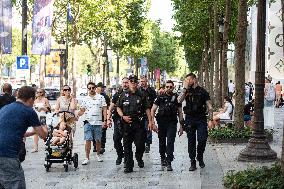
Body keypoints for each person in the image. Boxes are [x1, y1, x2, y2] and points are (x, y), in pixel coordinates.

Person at [0, 86, 48, 189]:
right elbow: (43, 135)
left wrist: (32, 133)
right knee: (17, 185)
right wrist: (44, 127)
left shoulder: (5, 108)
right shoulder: (28, 111)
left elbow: (14, 132)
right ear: (31, 99)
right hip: (7, 155)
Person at [116, 75, 153, 173]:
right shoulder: (123, 95)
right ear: (128, 83)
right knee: (127, 146)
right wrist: (122, 116)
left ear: (137, 83)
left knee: (140, 144)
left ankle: (139, 157)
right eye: (131, 81)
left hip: (138, 124)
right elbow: (118, 107)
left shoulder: (141, 95)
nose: (133, 83)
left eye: (135, 82)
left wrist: (150, 121)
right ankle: (129, 165)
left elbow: (147, 108)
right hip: (126, 124)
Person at [178, 73, 213, 171]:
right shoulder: (186, 91)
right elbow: (178, 101)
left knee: (202, 139)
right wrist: (184, 89)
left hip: (201, 119)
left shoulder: (203, 92)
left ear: (195, 79)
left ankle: (200, 156)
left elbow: (209, 106)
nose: (187, 82)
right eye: (186, 80)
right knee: (191, 141)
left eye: (189, 79)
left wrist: (210, 119)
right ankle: (192, 161)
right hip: (189, 119)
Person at [151, 80, 184, 171]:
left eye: (171, 87)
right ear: (165, 87)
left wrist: (181, 127)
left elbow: (180, 112)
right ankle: (162, 158)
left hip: (172, 123)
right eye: (167, 86)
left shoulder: (176, 98)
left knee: (170, 142)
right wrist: (152, 123)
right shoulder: (160, 97)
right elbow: (153, 110)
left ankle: (169, 161)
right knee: (162, 142)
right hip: (161, 123)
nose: (169, 88)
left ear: (173, 88)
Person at [78, 82, 107, 165]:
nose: (91, 89)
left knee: (98, 140)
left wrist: (105, 120)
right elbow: (82, 110)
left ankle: (98, 155)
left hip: (98, 122)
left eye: (93, 88)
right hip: (88, 122)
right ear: (87, 89)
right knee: (88, 139)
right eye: (89, 88)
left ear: (95, 88)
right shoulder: (85, 99)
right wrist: (76, 115)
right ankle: (87, 157)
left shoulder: (101, 97)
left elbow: (104, 109)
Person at [107, 77, 129, 165]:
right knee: (116, 139)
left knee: (127, 140)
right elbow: (111, 107)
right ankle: (120, 155)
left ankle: (128, 159)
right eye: (123, 82)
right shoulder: (117, 94)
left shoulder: (132, 93)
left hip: (129, 120)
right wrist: (108, 118)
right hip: (118, 120)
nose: (125, 84)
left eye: (127, 82)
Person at [139, 76, 156, 153]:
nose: (142, 83)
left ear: (147, 82)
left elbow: (155, 101)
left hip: (149, 112)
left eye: (144, 81)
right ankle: (141, 143)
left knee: (148, 128)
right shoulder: (138, 90)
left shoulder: (151, 90)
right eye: (141, 81)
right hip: (140, 113)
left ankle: (147, 144)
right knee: (141, 129)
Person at [93, 82, 110, 154]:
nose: (102, 89)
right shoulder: (93, 96)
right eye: (101, 87)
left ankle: (102, 147)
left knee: (103, 132)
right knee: (94, 131)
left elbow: (108, 107)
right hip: (95, 116)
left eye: (103, 87)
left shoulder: (105, 97)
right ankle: (95, 146)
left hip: (103, 117)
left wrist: (107, 118)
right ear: (97, 88)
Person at [32, 88, 51, 153]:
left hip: (43, 116)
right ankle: (35, 147)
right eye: (37, 92)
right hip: (36, 117)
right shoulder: (35, 100)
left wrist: (42, 108)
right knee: (35, 132)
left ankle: (47, 145)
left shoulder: (45, 99)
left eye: (39, 92)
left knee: (45, 131)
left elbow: (49, 109)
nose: (38, 93)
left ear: (42, 93)